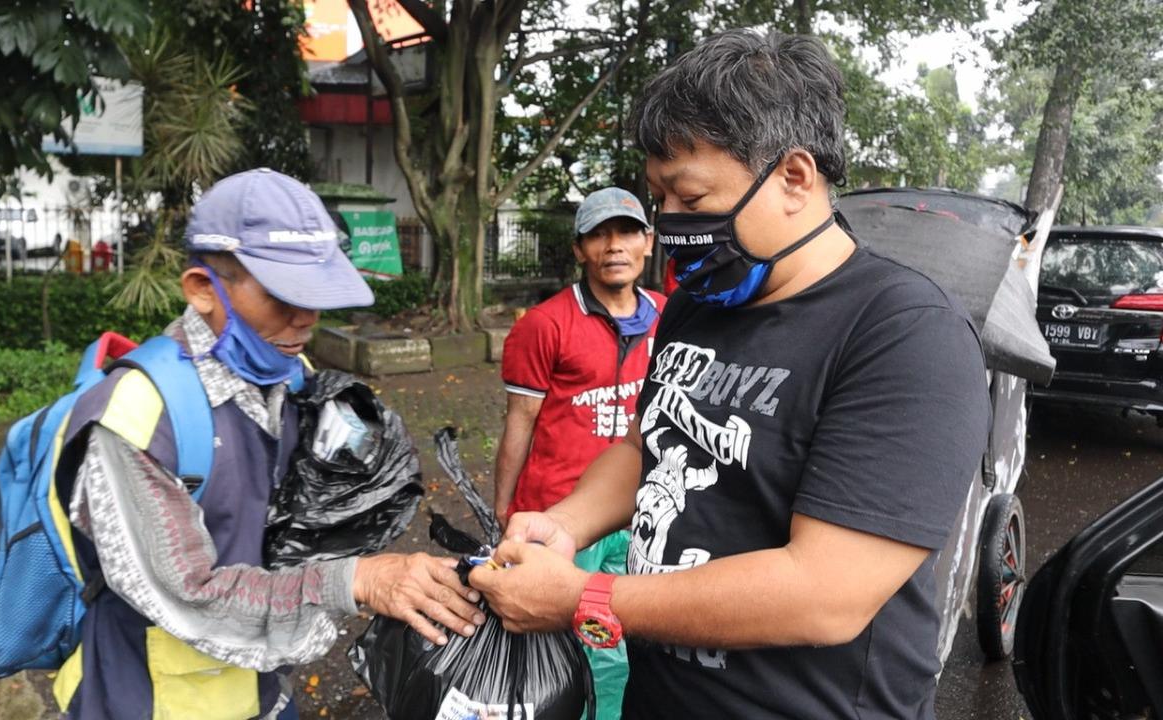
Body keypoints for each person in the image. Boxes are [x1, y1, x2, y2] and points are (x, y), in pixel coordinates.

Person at [471, 29, 992, 719]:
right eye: (661, 198)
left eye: (690, 198)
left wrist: (584, 598)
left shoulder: (903, 334)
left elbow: (825, 593)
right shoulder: (697, 305)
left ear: (794, 177)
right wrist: (564, 527)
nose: (670, 222)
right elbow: (643, 446)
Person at [50, 168, 483, 719]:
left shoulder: (286, 374)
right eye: (284, 296)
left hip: (265, 693)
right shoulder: (136, 417)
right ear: (203, 289)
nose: (306, 319)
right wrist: (358, 580)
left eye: (317, 295)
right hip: (148, 700)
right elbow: (190, 593)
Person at [494, 187, 664, 719]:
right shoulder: (543, 325)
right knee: (562, 641)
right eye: (598, 233)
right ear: (579, 249)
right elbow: (519, 422)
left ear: (648, 242)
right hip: (562, 513)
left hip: (641, 511)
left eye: (627, 231)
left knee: (628, 633)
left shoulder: (672, 317)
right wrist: (503, 509)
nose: (614, 246)